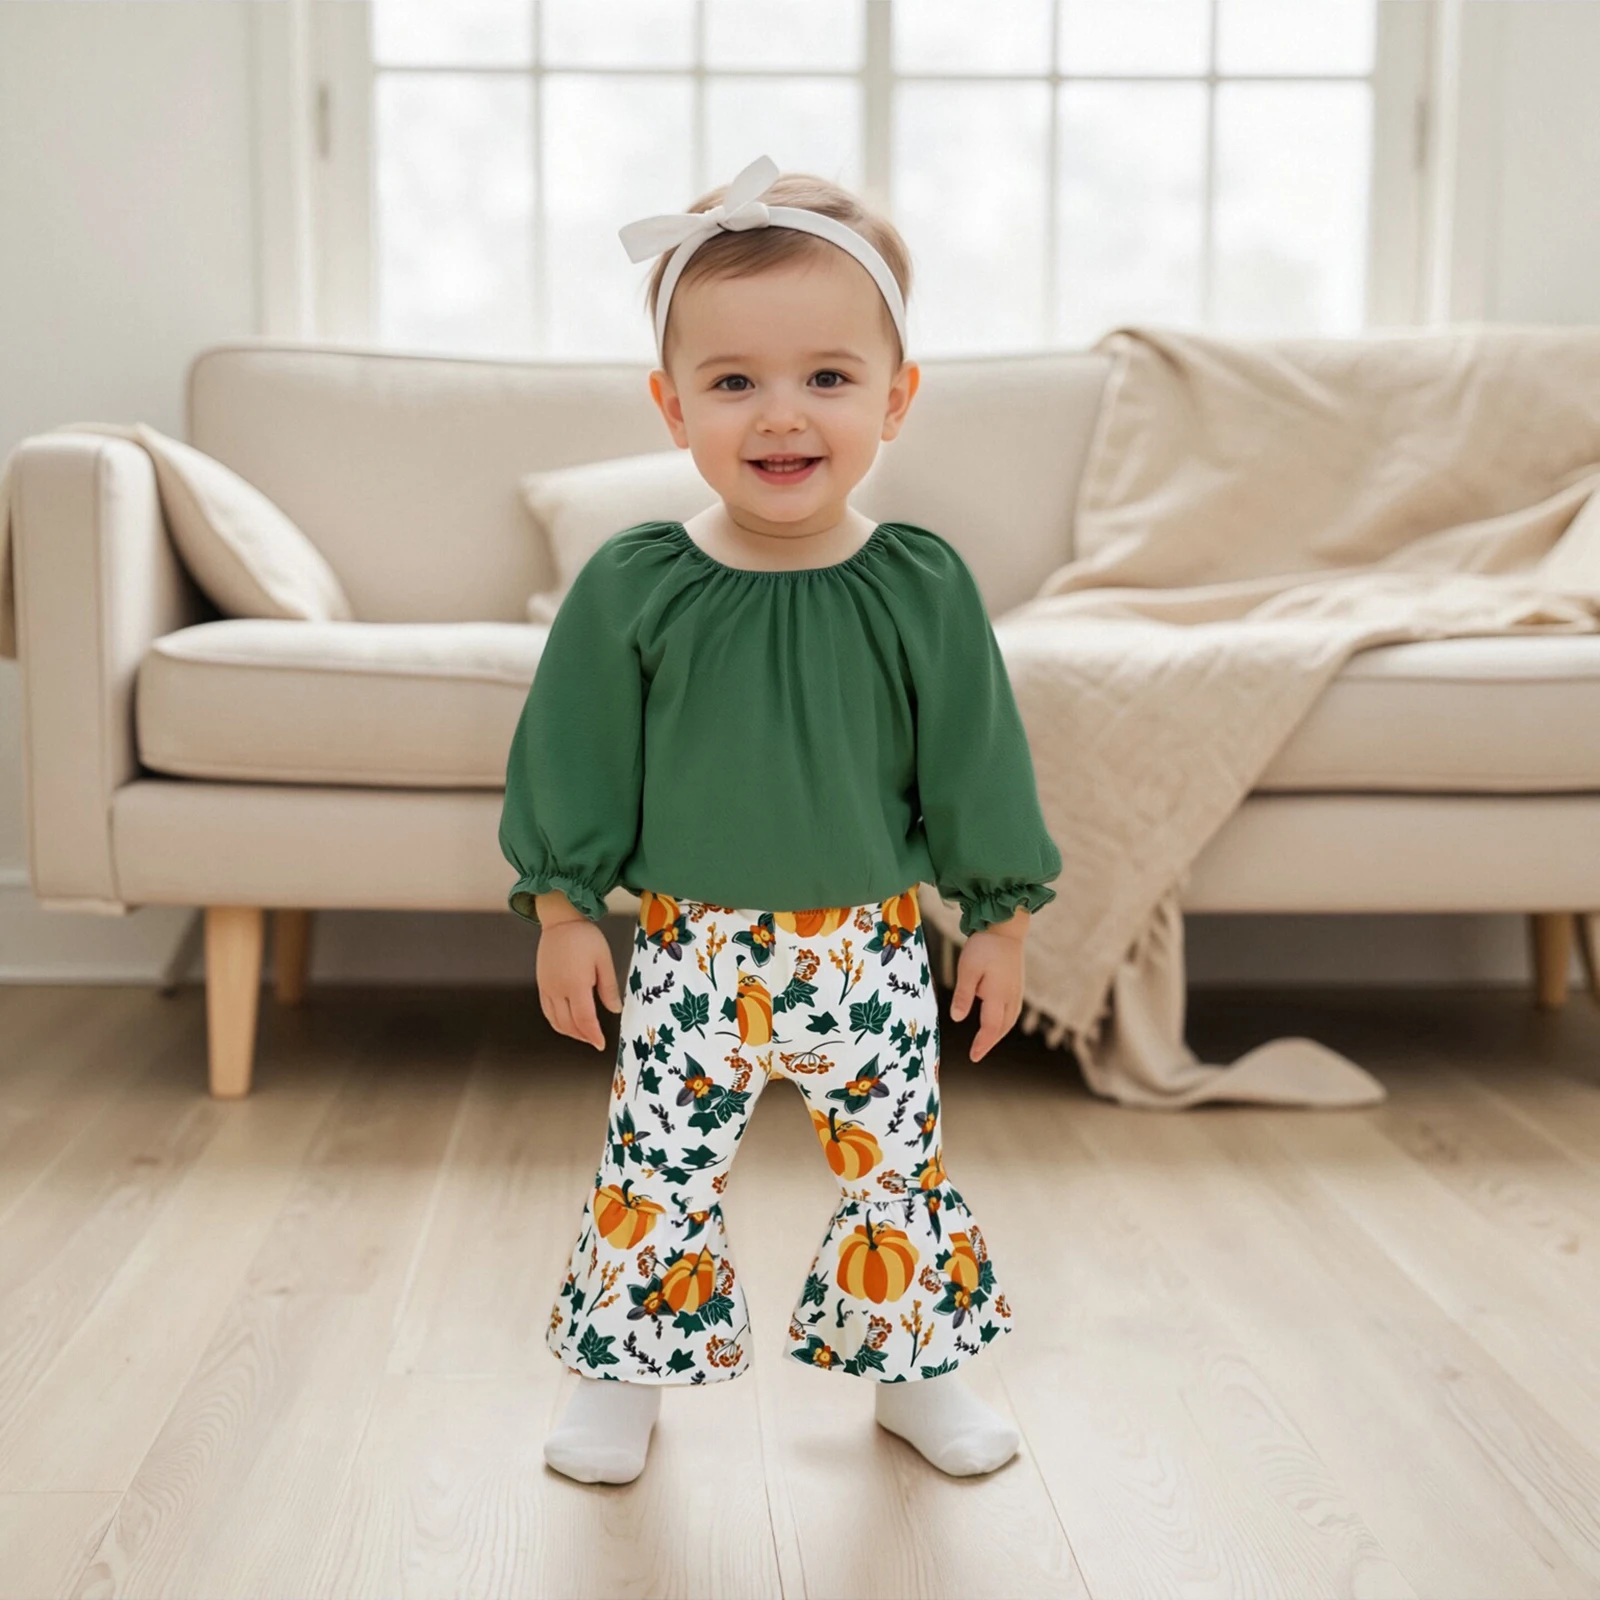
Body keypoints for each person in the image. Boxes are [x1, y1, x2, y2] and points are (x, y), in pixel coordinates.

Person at [499, 154, 1062, 1486]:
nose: (782, 415)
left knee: (897, 1168)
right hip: (691, 951)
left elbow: (977, 761)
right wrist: (565, 911)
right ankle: (620, 1383)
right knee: (657, 1167)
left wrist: (1000, 919)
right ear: (671, 405)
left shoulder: (920, 586)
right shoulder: (637, 584)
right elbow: (573, 757)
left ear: (896, 398)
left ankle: (918, 1372)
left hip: (868, 947)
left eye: (828, 376)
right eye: (734, 382)